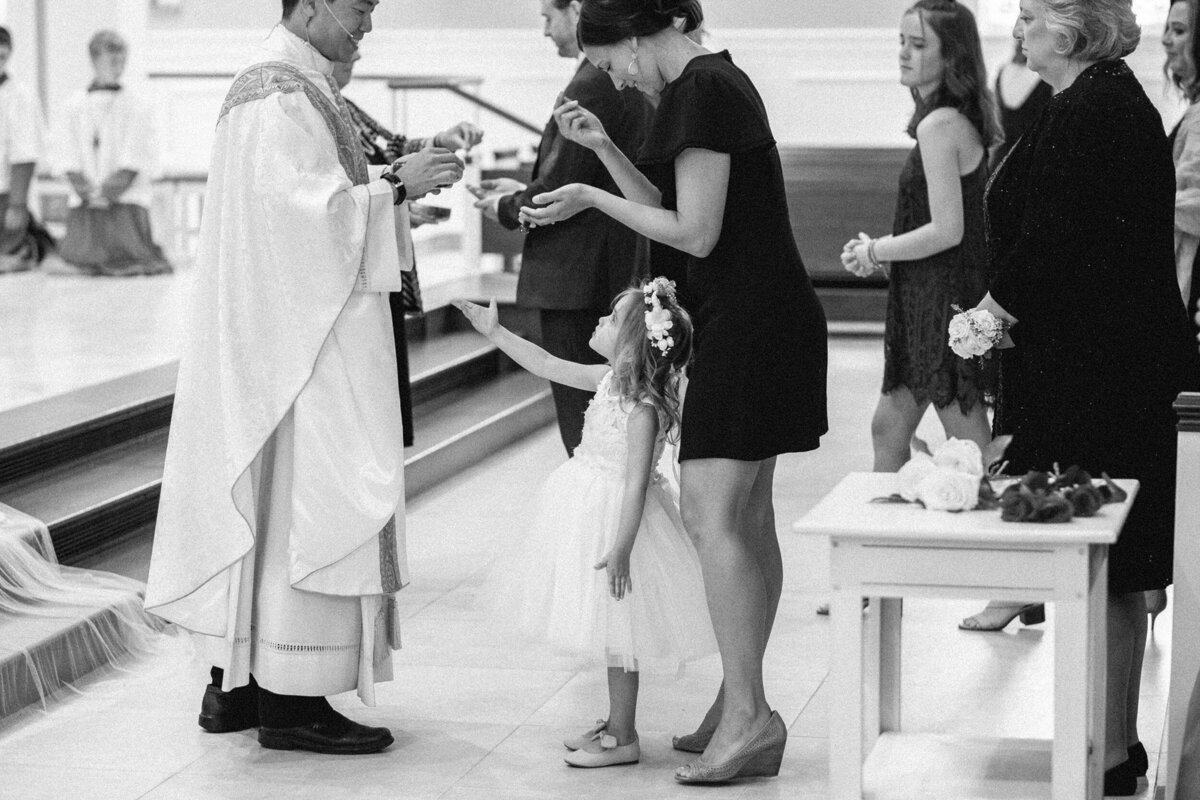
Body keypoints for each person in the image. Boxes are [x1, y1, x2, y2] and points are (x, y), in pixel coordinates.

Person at [144, 0, 465, 755]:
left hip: (296, 337)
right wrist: (396, 192)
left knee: (278, 503)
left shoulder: (296, 82)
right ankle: (292, 701)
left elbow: (307, 209)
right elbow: (301, 224)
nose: (368, 26)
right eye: (360, 8)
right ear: (314, 2)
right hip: (304, 352)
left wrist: (389, 203)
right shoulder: (278, 92)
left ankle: (244, 686)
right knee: (303, 506)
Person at [522, 0, 829, 783]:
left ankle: (750, 714)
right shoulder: (716, 81)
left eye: (614, 61)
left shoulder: (699, 89)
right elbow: (672, 210)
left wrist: (592, 196)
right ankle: (740, 705)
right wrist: (606, 155)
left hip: (750, 324)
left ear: (635, 35)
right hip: (765, 316)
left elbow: (694, 234)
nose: (618, 78)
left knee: (711, 515)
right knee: (748, 520)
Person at [976, 0, 1200, 793]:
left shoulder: (1096, 105)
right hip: (1097, 362)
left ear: (1072, 27)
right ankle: (1111, 745)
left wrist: (990, 313)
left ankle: (1107, 750)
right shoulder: (1088, 99)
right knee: (1109, 563)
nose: (1021, 28)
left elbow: (1054, 235)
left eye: (1033, 15)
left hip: (1105, 372)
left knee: (1104, 556)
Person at [453, 278, 716, 768]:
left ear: (634, 344)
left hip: (618, 523)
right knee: (611, 631)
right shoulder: (610, 381)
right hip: (588, 505)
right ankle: (616, 723)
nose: (600, 321)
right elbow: (547, 364)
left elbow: (637, 485)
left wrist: (622, 548)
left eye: (612, 319)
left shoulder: (643, 410)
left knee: (622, 634)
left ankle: (623, 735)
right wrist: (495, 332)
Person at [471, 0, 651, 457]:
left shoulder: (592, 82)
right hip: (602, 265)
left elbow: (562, 186)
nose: (545, 31)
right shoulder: (609, 79)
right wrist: (522, 189)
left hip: (577, 274)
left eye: (548, 18)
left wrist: (504, 206)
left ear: (575, 10)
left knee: (586, 426)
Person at [333, 50, 483, 448]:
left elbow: (390, 147)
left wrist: (439, 142)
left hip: (378, 257)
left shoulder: (339, 103)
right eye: (356, 16)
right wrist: (395, 196)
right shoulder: (314, 105)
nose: (359, 50)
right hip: (351, 275)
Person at [55, 30, 172, 277]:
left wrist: (108, 193)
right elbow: (67, 153)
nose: (118, 67)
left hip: (122, 201)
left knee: (129, 259)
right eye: (112, 61)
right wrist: (88, 192)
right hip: (87, 202)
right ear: (94, 59)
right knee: (79, 261)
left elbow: (136, 154)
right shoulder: (73, 106)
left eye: (122, 61)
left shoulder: (136, 105)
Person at [0, 26, 56, 274]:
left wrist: (18, 204)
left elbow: (25, 152)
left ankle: (28, 247)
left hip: (5, 194)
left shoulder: (19, 97)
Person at [989, 40, 1052, 171]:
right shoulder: (1046, 76)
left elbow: (995, 117)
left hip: (1000, 160)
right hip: (1032, 161)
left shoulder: (1003, 70)